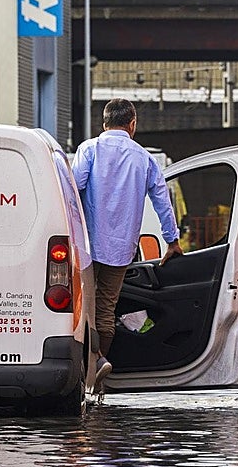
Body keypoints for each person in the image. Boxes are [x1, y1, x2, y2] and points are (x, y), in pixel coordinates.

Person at [73, 99, 183, 388]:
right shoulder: (144, 158)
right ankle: (96, 370)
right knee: (106, 307)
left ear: (103, 122)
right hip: (120, 249)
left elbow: (73, 192)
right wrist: (172, 240)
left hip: (84, 246)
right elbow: (163, 201)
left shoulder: (89, 149)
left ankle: (90, 364)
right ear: (132, 124)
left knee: (82, 306)